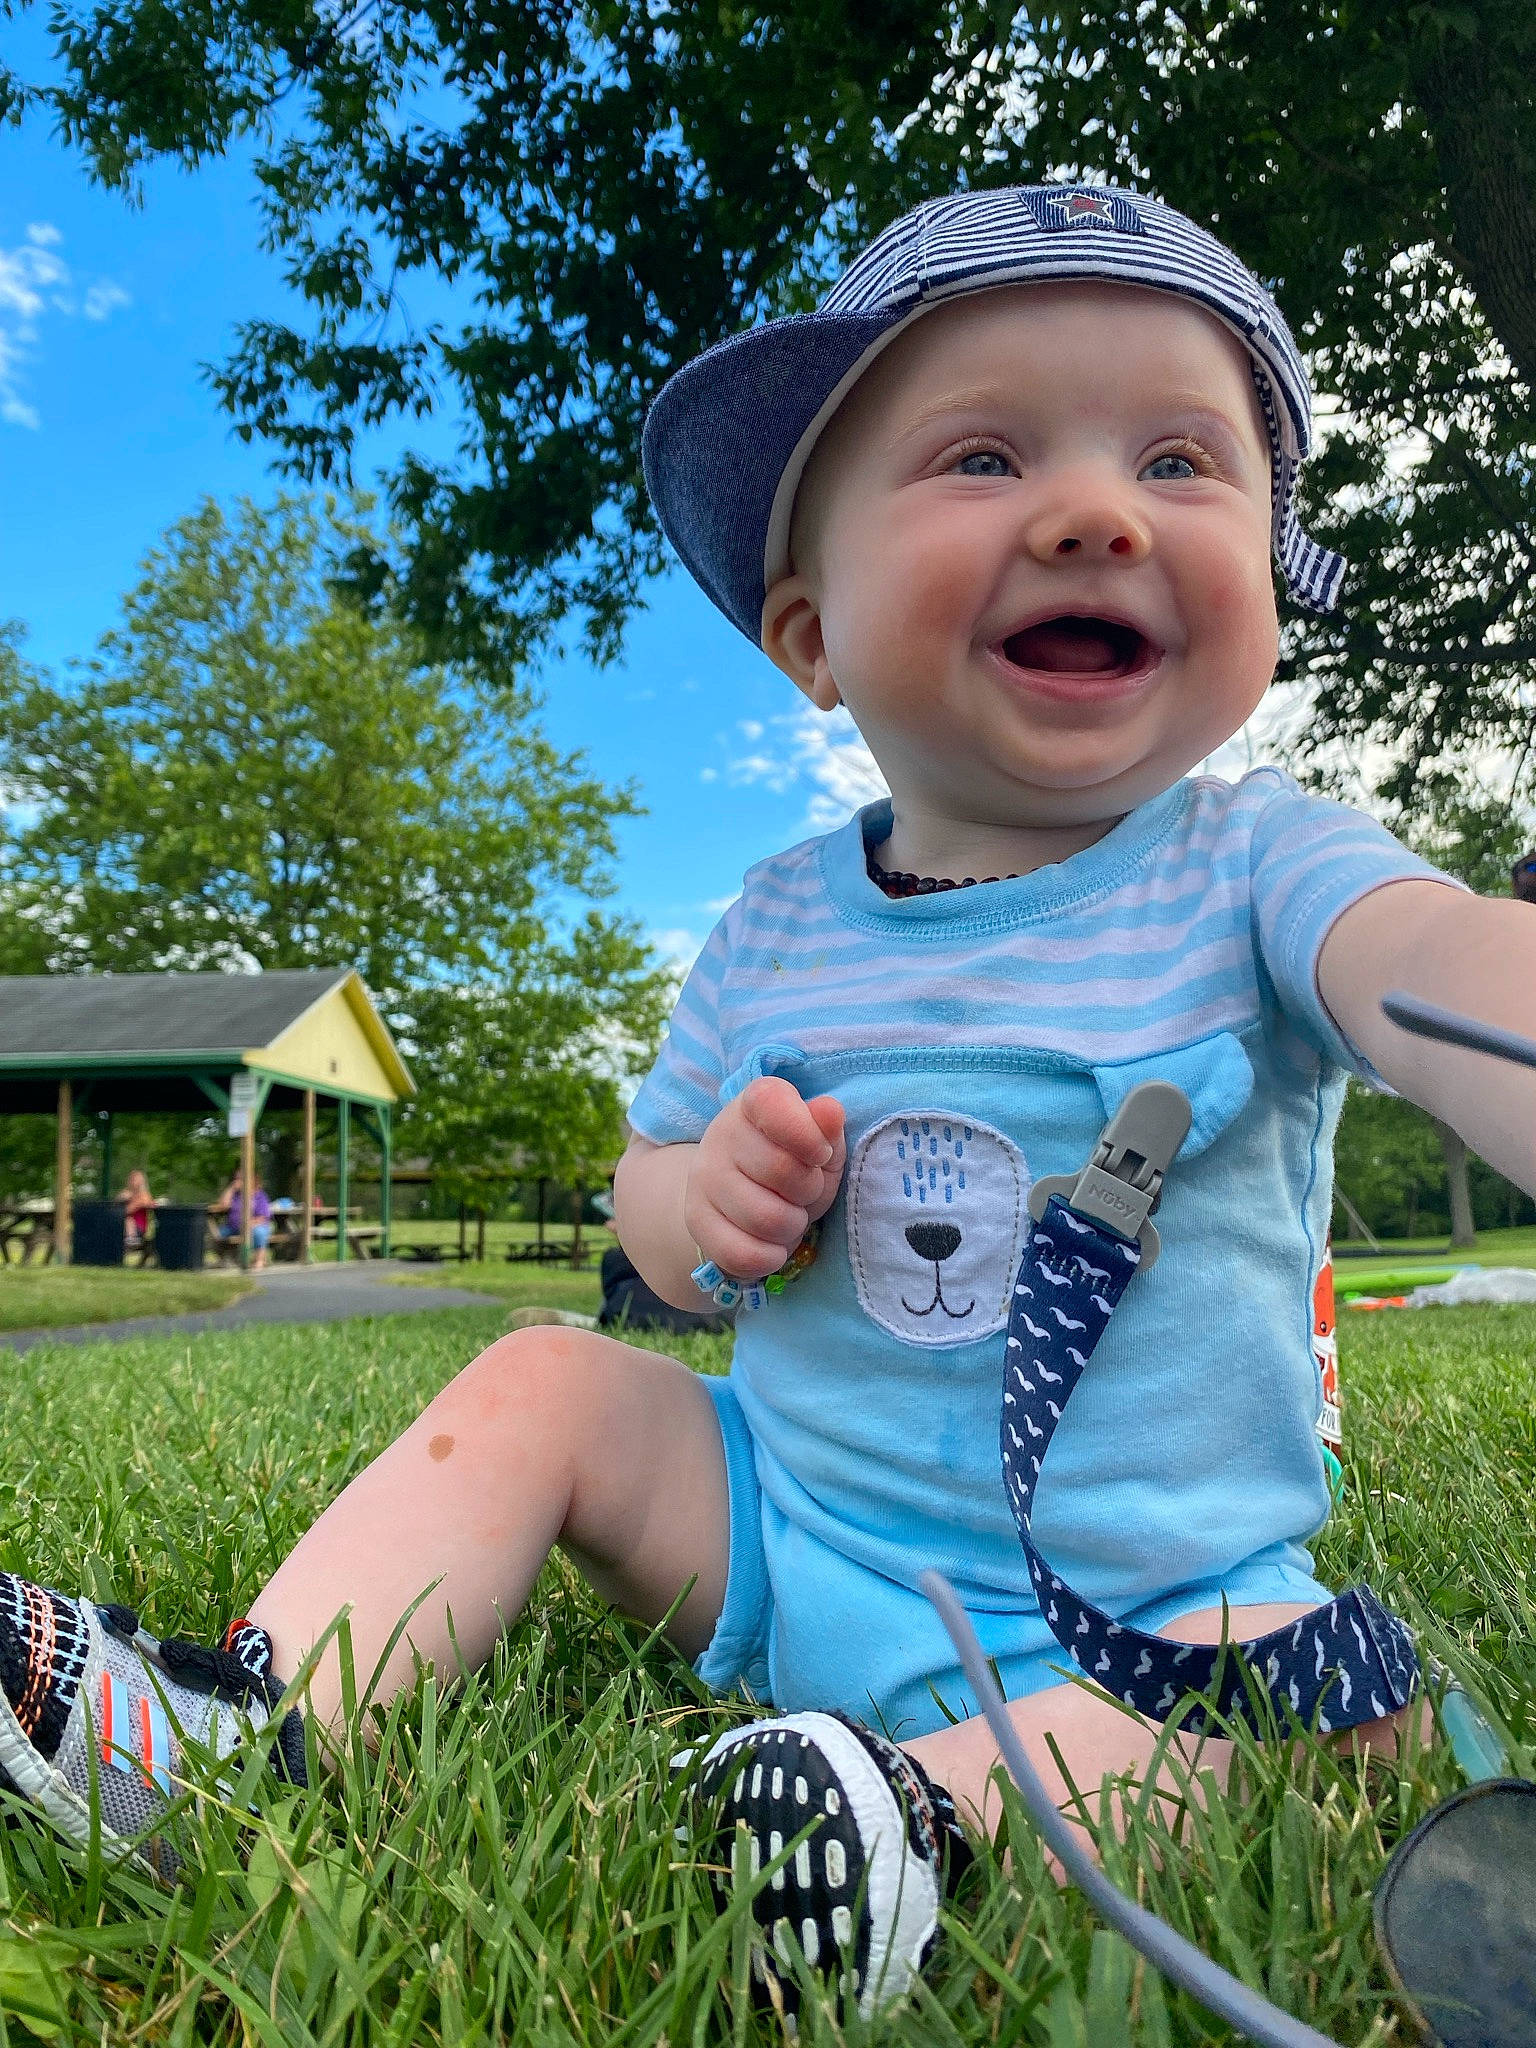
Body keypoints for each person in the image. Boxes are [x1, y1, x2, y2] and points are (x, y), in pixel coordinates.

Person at [0, 185, 1529, 2019]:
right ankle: (252, 1717)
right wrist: (702, 1200)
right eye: (982, 452)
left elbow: (1431, 966)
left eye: (1184, 460)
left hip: (1138, 1603)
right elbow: (648, 1207)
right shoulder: (779, 919)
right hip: (787, 1522)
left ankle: (899, 1830)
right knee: (546, 1381)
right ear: (810, 634)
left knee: (1299, 1700)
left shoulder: (1261, 862)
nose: (1097, 508)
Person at [211, 1170, 273, 1272]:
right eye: (236, 1178)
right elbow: (222, 1204)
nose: (238, 1181)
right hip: (233, 1227)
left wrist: (249, 1223)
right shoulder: (235, 1194)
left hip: (253, 1226)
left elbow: (263, 1217)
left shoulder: (259, 1195)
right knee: (216, 1234)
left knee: (259, 1232)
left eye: (240, 1179)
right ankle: (225, 1259)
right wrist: (231, 1188)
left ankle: (259, 1260)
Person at [115, 1169, 156, 1249]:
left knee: (128, 1219)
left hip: (138, 1228)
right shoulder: (126, 1193)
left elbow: (127, 1211)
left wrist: (133, 1201)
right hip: (121, 1226)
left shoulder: (144, 1196)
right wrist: (120, 1199)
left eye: (136, 1179)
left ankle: (132, 1239)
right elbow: (115, 1209)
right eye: (132, 1179)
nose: (134, 1182)